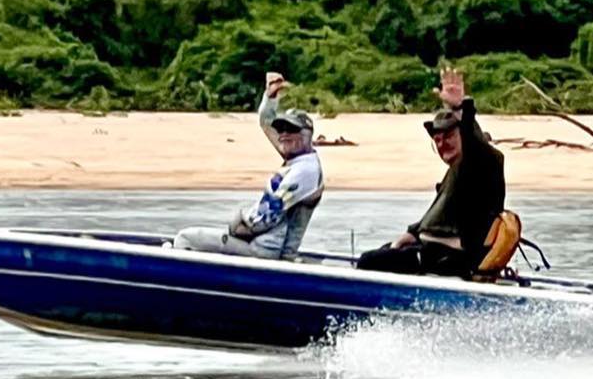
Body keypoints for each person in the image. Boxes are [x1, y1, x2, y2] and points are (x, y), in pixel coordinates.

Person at [357, 67, 506, 278]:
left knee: (368, 261)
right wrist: (411, 233)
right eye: (438, 140)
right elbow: (436, 217)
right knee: (383, 252)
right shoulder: (454, 172)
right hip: (431, 251)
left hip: (452, 258)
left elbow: (475, 143)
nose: (442, 144)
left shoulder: (486, 163)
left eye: (449, 136)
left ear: (464, 135)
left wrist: (459, 107)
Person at [173, 71, 323, 259]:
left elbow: (264, 218)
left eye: (291, 130)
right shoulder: (298, 158)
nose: (283, 134)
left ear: (307, 135)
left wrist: (239, 222)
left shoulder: (305, 171)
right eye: (281, 129)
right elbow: (267, 122)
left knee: (185, 239)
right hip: (261, 245)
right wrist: (270, 97)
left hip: (265, 251)